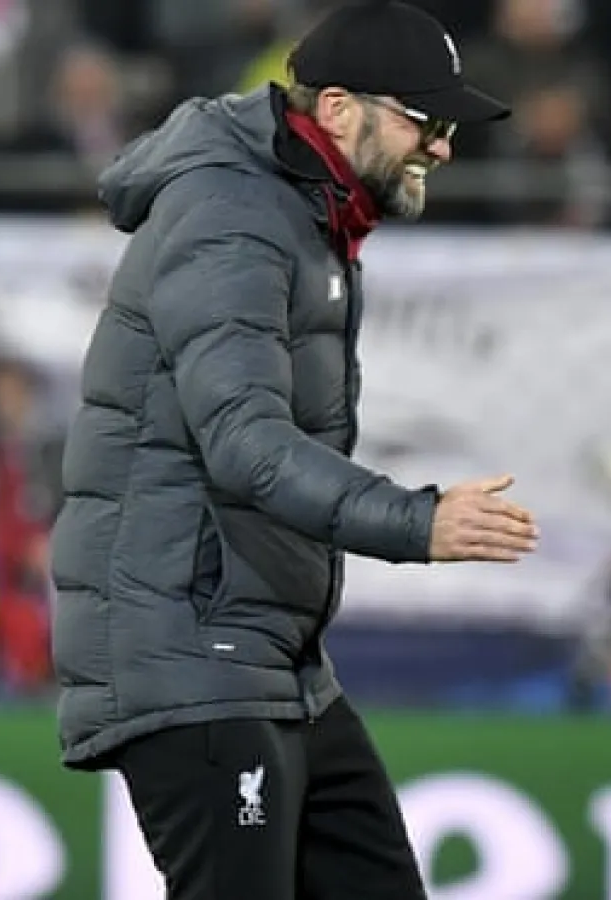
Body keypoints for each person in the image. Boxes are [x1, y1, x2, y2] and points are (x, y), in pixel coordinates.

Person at [49, 3, 535, 899]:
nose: (442, 148)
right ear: (340, 108)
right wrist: (416, 521)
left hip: (274, 664)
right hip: (195, 654)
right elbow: (247, 446)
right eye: (425, 123)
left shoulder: (302, 212)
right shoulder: (233, 216)